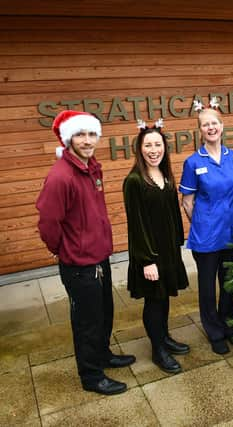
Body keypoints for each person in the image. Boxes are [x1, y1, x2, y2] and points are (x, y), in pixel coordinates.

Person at [36, 110, 135, 395]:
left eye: (92, 134)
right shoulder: (60, 176)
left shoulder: (92, 167)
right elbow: (48, 223)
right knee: (87, 322)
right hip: (79, 264)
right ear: (69, 139)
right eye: (80, 134)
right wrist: (62, 249)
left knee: (104, 313)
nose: (87, 140)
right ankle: (92, 377)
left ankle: (102, 355)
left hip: (98, 256)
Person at [180, 99, 233, 355]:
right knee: (208, 287)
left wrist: (231, 209)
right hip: (206, 236)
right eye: (205, 125)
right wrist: (202, 222)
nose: (211, 128)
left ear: (222, 126)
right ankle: (215, 331)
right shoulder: (192, 162)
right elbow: (187, 201)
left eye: (214, 123)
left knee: (230, 282)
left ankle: (230, 325)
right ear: (200, 131)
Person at [123, 120, 190, 374]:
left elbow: (173, 213)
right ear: (140, 149)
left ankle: (164, 337)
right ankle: (158, 350)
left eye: (158, 144)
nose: (153, 150)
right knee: (154, 301)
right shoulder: (134, 181)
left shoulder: (166, 176)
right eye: (148, 145)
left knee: (164, 299)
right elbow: (136, 225)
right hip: (149, 254)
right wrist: (147, 260)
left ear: (164, 148)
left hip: (168, 251)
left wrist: (177, 246)